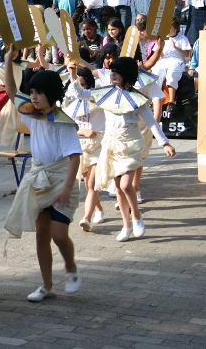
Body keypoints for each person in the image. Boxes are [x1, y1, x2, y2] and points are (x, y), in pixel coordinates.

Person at [2, 44, 82, 302]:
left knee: (59, 234)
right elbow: (12, 93)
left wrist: (68, 188)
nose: (33, 97)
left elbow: (74, 157)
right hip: (39, 179)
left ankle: (70, 266)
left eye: (39, 92)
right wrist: (7, 61)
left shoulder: (64, 123)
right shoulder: (32, 117)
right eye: (32, 92)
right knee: (41, 235)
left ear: (52, 94)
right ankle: (47, 285)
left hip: (61, 180)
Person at [67, 56, 175, 241]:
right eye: (112, 71)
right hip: (110, 144)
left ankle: (137, 217)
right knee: (118, 188)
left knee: (126, 185)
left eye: (117, 72)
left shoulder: (137, 98)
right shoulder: (105, 92)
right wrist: (73, 73)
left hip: (130, 142)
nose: (113, 75)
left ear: (127, 75)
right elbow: (81, 94)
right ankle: (126, 225)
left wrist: (164, 142)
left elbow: (151, 123)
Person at [63, 67, 106, 230]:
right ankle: (99, 209)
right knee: (88, 183)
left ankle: (86, 218)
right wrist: (82, 131)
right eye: (76, 79)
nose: (78, 83)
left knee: (92, 183)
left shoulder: (97, 96)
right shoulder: (71, 100)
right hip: (79, 146)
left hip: (98, 144)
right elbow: (68, 125)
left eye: (81, 80)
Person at [148, 17, 191, 113]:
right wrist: (160, 49)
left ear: (175, 28)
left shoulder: (182, 38)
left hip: (176, 60)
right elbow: (157, 53)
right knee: (156, 74)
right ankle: (153, 102)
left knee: (171, 75)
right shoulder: (162, 38)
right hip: (163, 61)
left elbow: (187, 54)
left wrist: (175, 47)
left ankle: (171, 102)